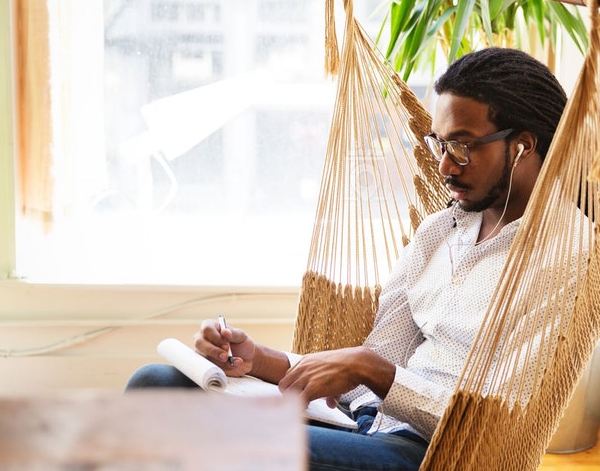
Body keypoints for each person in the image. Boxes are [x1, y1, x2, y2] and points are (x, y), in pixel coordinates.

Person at [125, 47, 569, 471]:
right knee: (154, 387)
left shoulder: (560, 260)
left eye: (462, 146)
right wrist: (258, 360)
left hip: (431, 455)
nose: (445, 167)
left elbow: (496, 428)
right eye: (440, 144)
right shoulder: (440, 232)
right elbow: (370, 369)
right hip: (366, 425)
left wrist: (375, 371)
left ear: (522, 146)